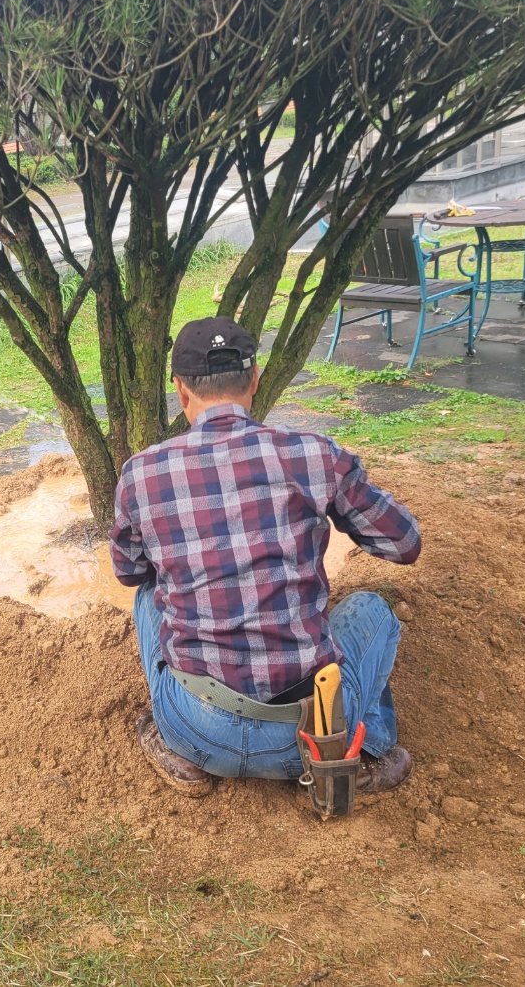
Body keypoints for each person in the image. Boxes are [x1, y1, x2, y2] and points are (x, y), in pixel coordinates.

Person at [109, 317, 420, 798]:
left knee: (150, 591)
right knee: (371, 609)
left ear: (180, 389)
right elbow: (404, 544)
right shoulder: (315, 455)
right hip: (309, 737)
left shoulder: (140, 473)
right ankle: (362, 754)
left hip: (195, 731)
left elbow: (129, 572)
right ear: (254, 379)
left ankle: (174, 747)